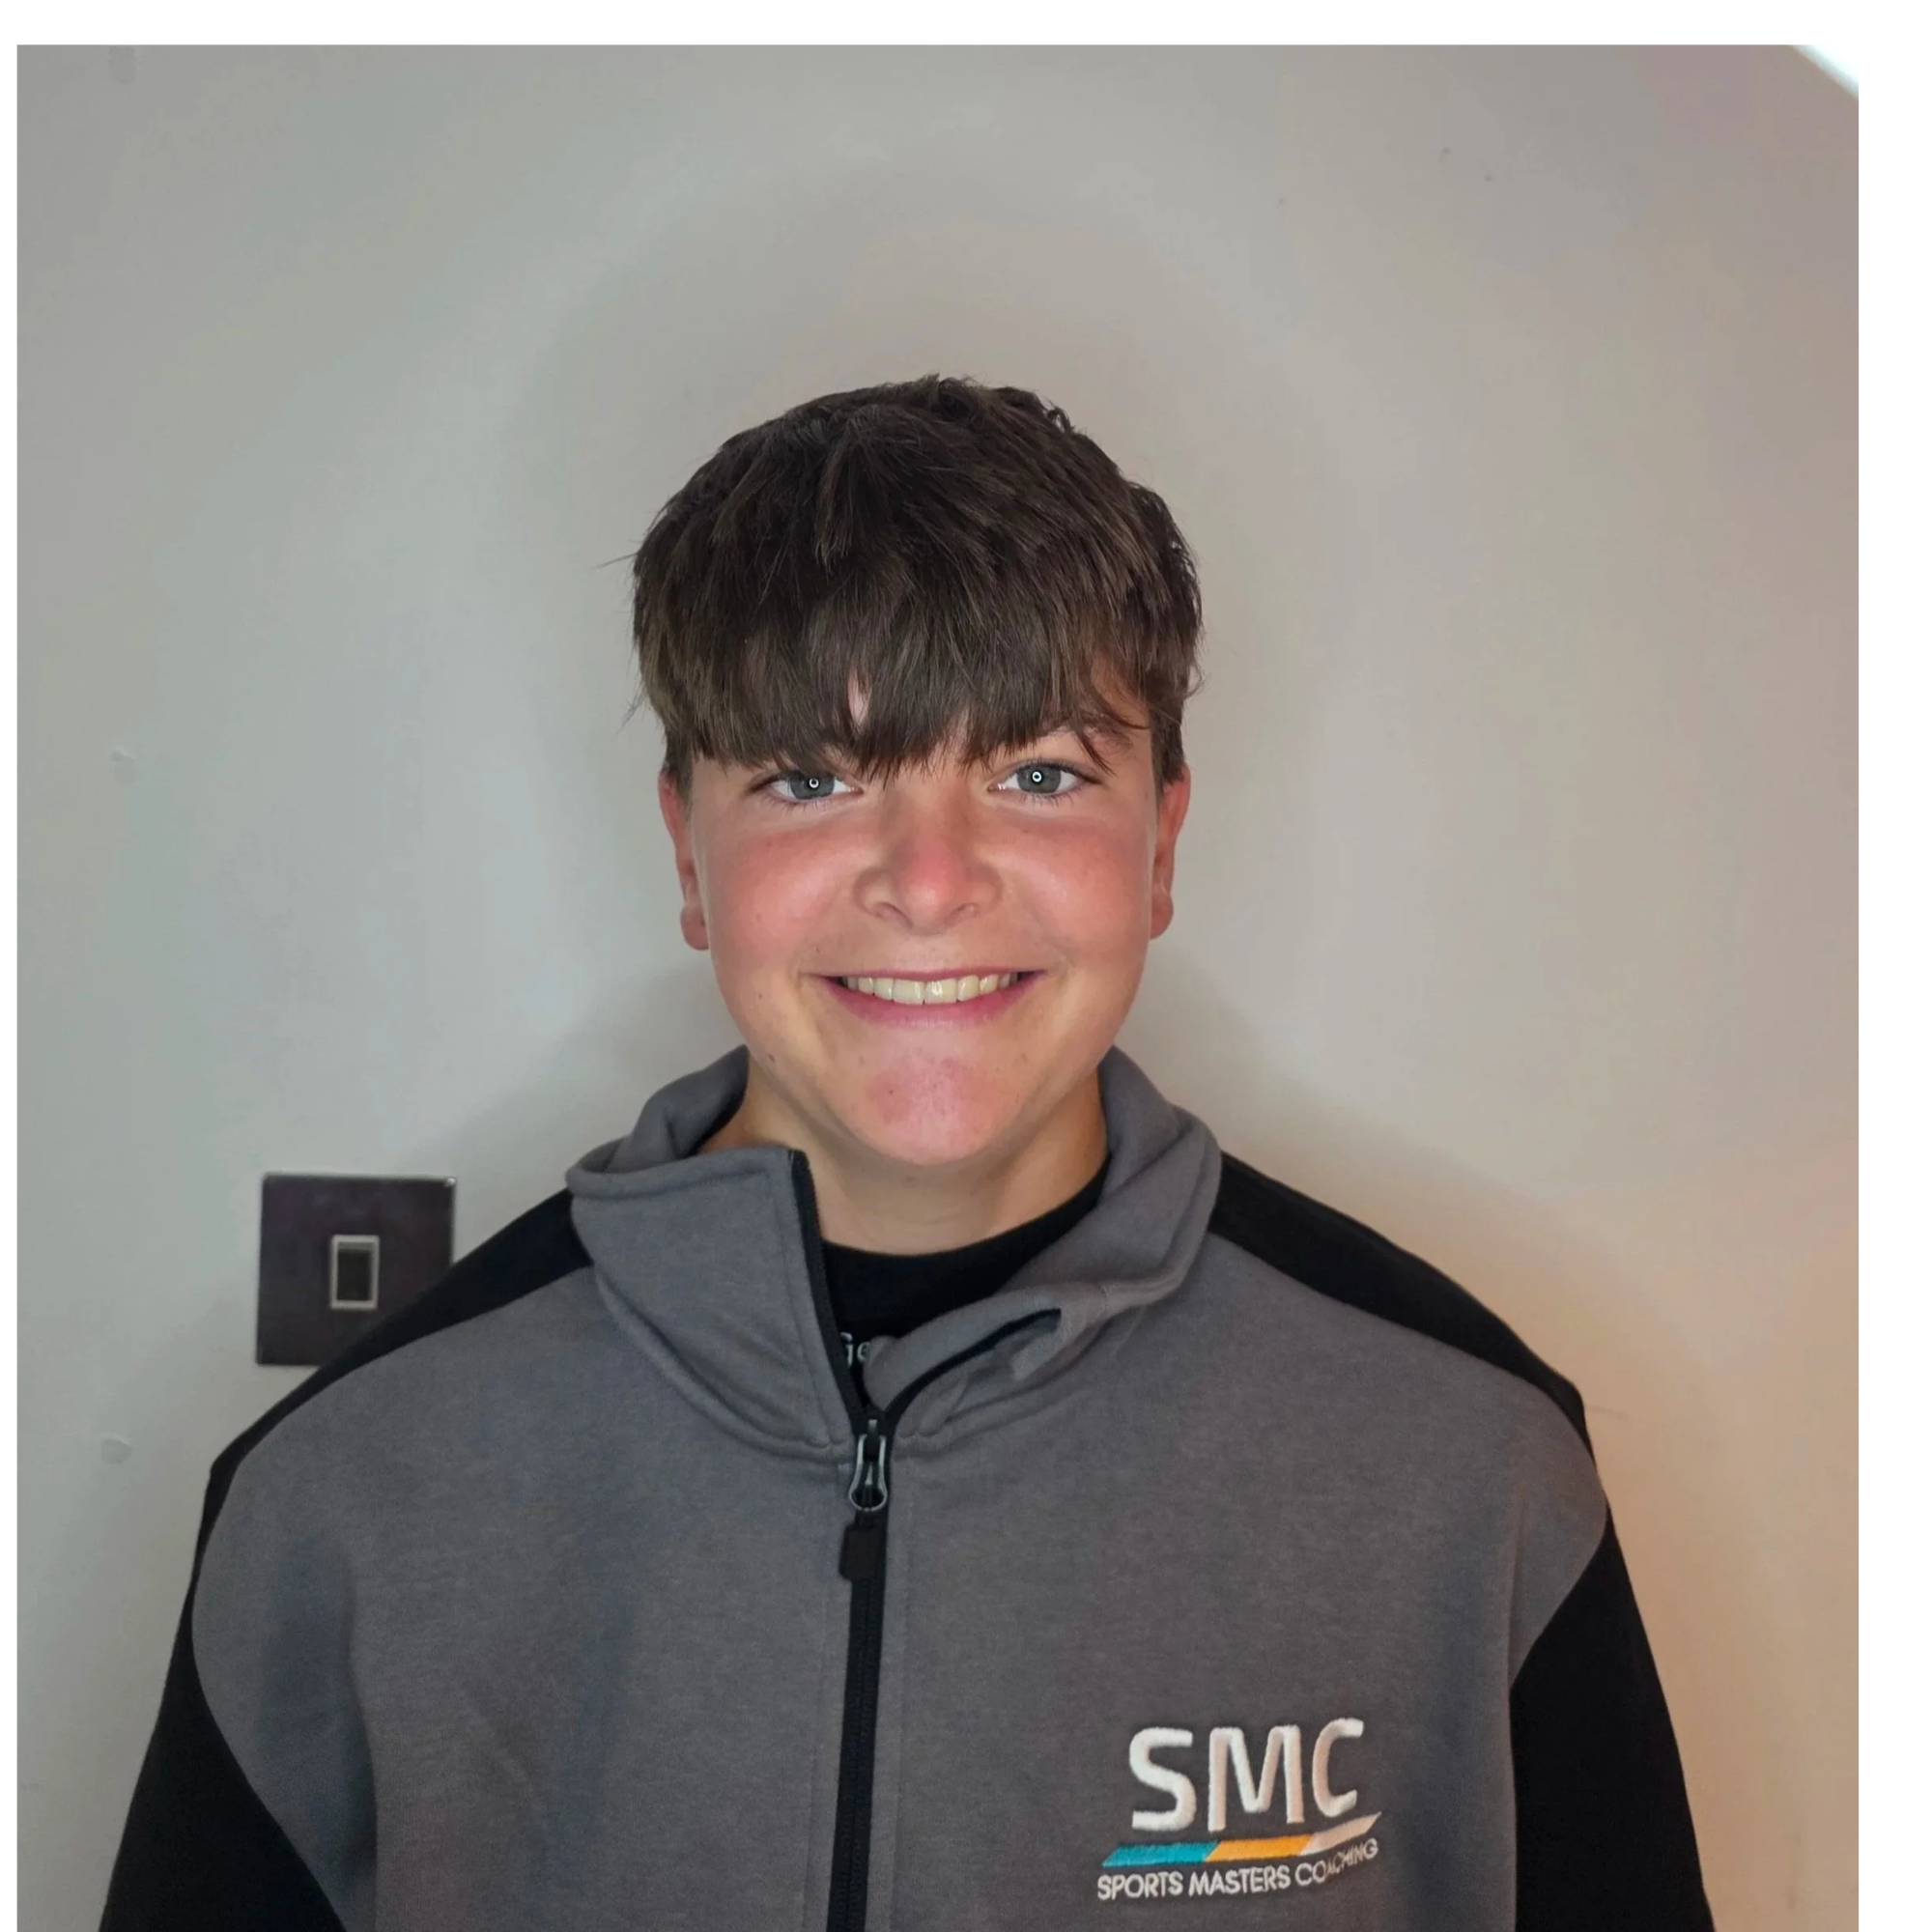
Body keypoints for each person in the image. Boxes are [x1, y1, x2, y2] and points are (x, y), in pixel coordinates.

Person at [100, 377, 1712, 1931]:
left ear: (1161, 843)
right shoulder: (347, 1493)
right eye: (811, 778)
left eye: (1039, 773)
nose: (929, 883)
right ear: (688, 854)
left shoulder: (1470, 1459)